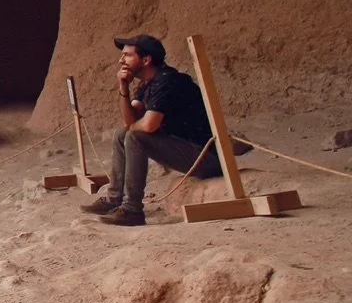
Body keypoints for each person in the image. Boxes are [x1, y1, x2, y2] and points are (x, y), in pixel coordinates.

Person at [81, 34, 238, 225]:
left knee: (135, 137)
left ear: (146, 60)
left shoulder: (168, 81)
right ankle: (114, 199)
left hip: (206, 157)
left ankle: (133, 210)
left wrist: (133, 126)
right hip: (186, 150)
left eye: (128, 55)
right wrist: (123, 87)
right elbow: (128, 121)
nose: (121, 60)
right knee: (122, 134)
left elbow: (148, 125)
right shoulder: (148, 83)